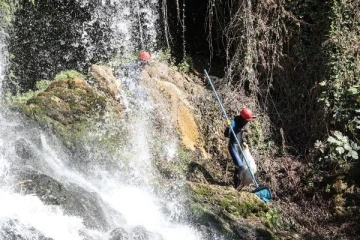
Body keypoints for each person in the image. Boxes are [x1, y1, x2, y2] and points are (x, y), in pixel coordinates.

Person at [224, 107, 253, 190]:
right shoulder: (234, 123)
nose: (247, 122)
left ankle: (238, 187)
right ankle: (237, 187)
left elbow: (240, 136)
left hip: (239, 147)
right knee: (240, 167)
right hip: (233, 146)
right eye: (246, 120)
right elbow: (226, 135)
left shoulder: (241, 124)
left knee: (240, 167)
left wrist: (243, 143)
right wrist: (228, 127)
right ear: (243, 118)